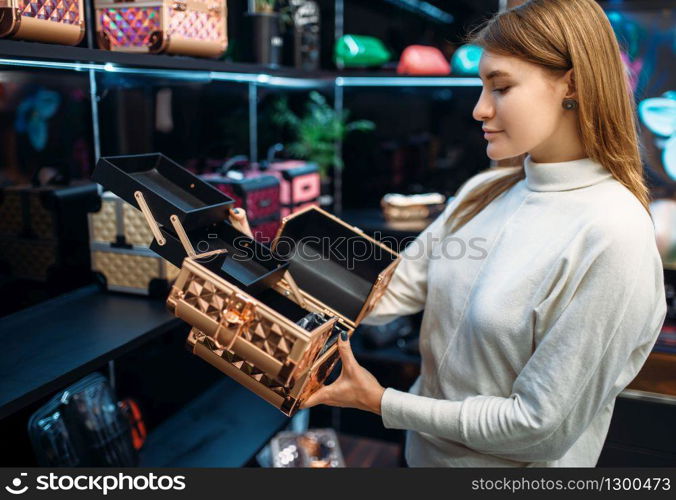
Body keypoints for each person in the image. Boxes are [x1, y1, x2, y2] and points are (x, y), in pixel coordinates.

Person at [231, 0, 666, 467]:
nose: (479, 109)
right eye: (482, 86)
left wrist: (383, 403)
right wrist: (261, 260)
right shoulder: (488, 189)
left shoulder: (614, 234)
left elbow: (540, 431)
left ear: (572, 84)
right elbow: (386, 295)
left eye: (501, 87)